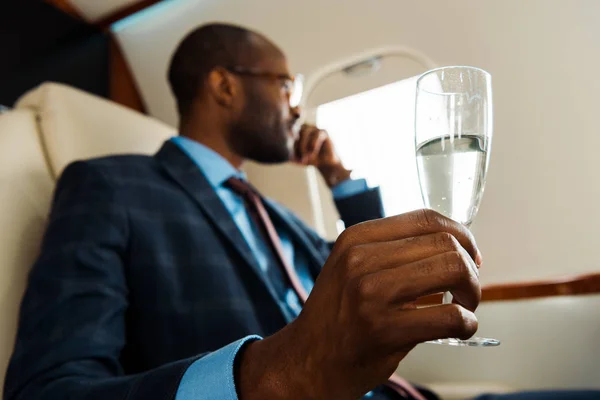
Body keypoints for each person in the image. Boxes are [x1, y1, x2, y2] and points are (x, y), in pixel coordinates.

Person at [3, 23, 598, 400]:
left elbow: (362, 292)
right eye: (287, 85)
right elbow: (47, 389)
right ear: (224, 86)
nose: (296, 106)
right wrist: (280, 377)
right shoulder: (110, 186)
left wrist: (340, 180)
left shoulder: (278, 217)